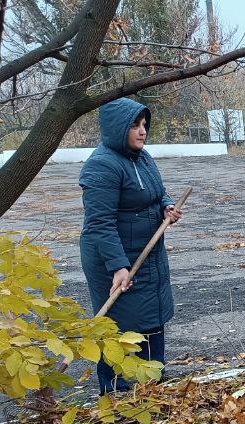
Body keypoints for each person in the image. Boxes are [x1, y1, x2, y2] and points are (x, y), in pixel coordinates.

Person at [79, 98, 181, 395]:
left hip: (148, 253)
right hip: (114, 259)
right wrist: (118, 266)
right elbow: (100, 224)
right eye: (135, 125)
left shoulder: (143, 157)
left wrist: (167, 207)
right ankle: (115, 389)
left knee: (152, 316)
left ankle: (154, 381)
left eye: (144, 125)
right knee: (118, 326)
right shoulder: (101, 166)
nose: (142, 131)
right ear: (117, 127)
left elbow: (157, 193)